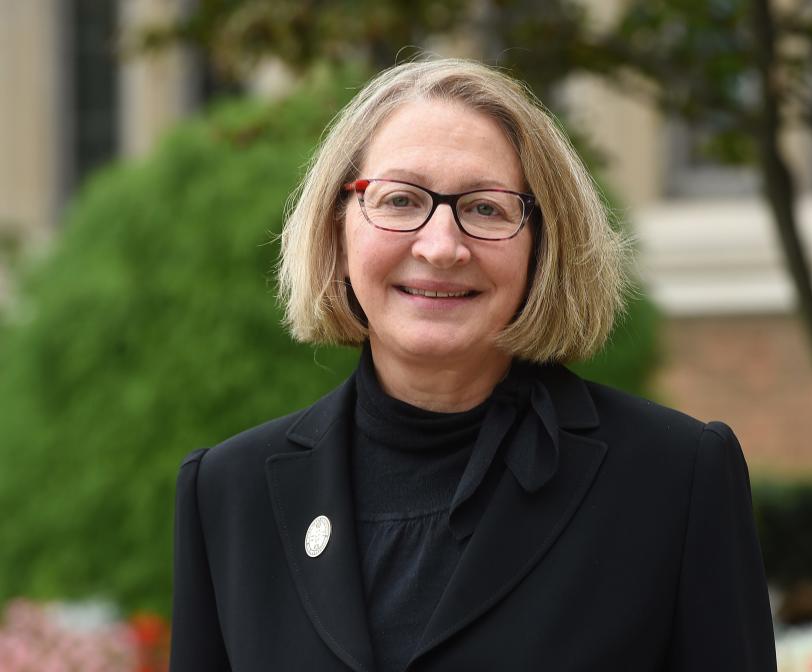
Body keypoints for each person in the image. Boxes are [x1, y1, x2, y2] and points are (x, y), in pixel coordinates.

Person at [170, 58, 777, 672]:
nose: (440, 246)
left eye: (486, 208)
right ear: (338, 229)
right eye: (401, 200)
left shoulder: (673, 479)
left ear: (544, 240)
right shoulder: (229, 492)